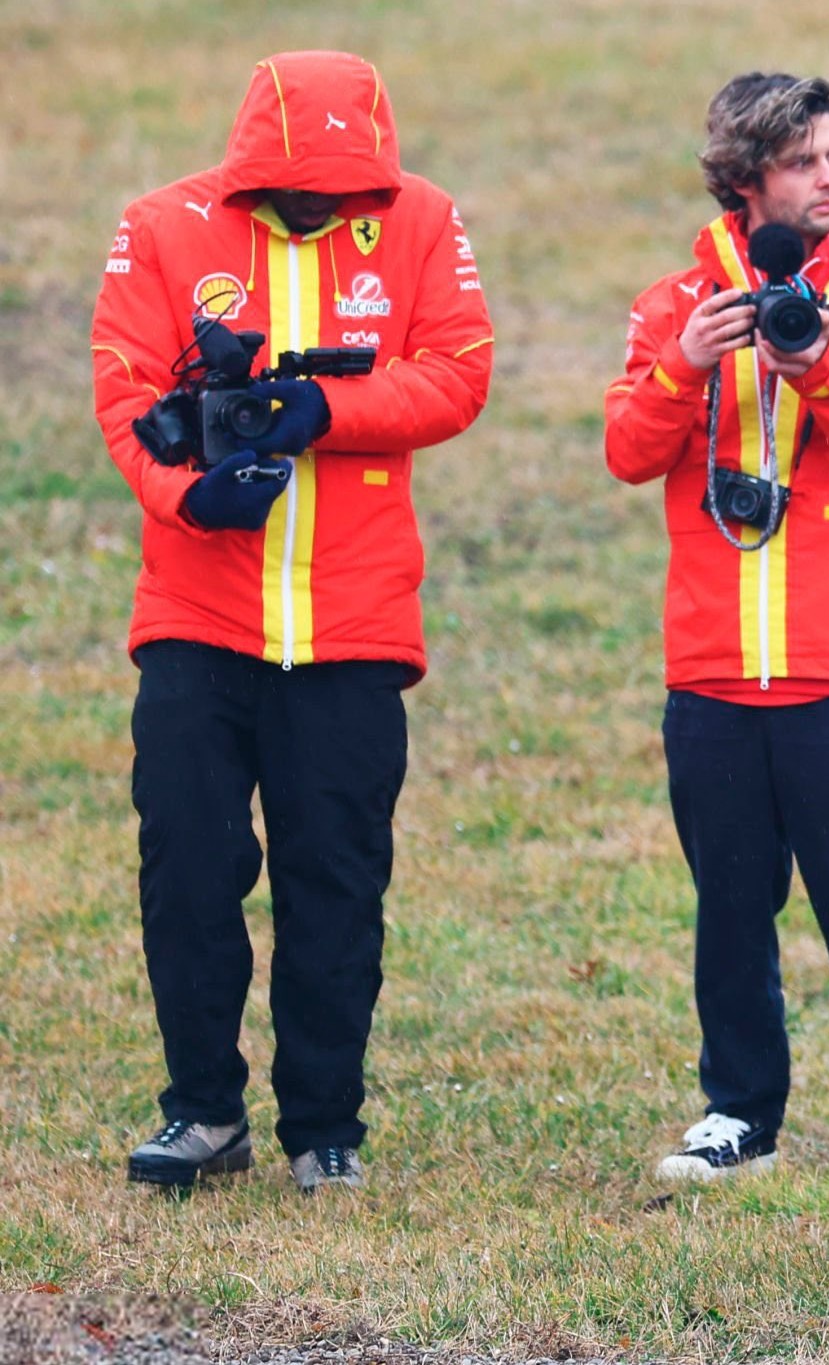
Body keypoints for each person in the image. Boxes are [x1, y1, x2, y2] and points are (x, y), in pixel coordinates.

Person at [91, 50, 493, 1194]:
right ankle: (202, 1113)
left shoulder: (422, 223)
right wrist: (190, 491)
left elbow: (461, 374)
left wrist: (321, 407)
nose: (319, 205)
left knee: (335, 881)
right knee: (187, 872)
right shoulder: (161, 229)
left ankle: (326, 1129)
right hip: (195, 614)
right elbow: (124, 389)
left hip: (354, 627)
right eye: (294, 187)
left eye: (343, 188)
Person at [603, 72, 829, 1183]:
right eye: (805, 161)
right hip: (711, 666)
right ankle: (738, 1112)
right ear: (747, 174)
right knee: (728, 909)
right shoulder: (675, 303)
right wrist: (685, 365)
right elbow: (624, 450)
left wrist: (822, 362)